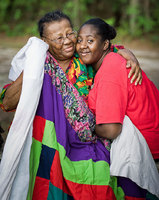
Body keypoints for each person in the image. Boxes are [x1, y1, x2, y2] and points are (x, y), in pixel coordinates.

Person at [0, 11, 151, 200]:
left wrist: (128, 54)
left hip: (91, 139)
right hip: (52, 139)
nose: (68, 41)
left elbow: (109, 48)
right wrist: (33, 67)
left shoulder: (85, 58)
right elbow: (6, 103)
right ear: (45, 41)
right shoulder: (40, 66)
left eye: (70, 33)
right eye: (58, 38)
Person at [76, 18, 159, 198]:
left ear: (105, 44)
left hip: (145, 149)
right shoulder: (110, 59)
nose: (82, 46)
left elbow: (112, 129)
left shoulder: (110, 69)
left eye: (90, 40)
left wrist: (80, 126)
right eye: (79, 40)